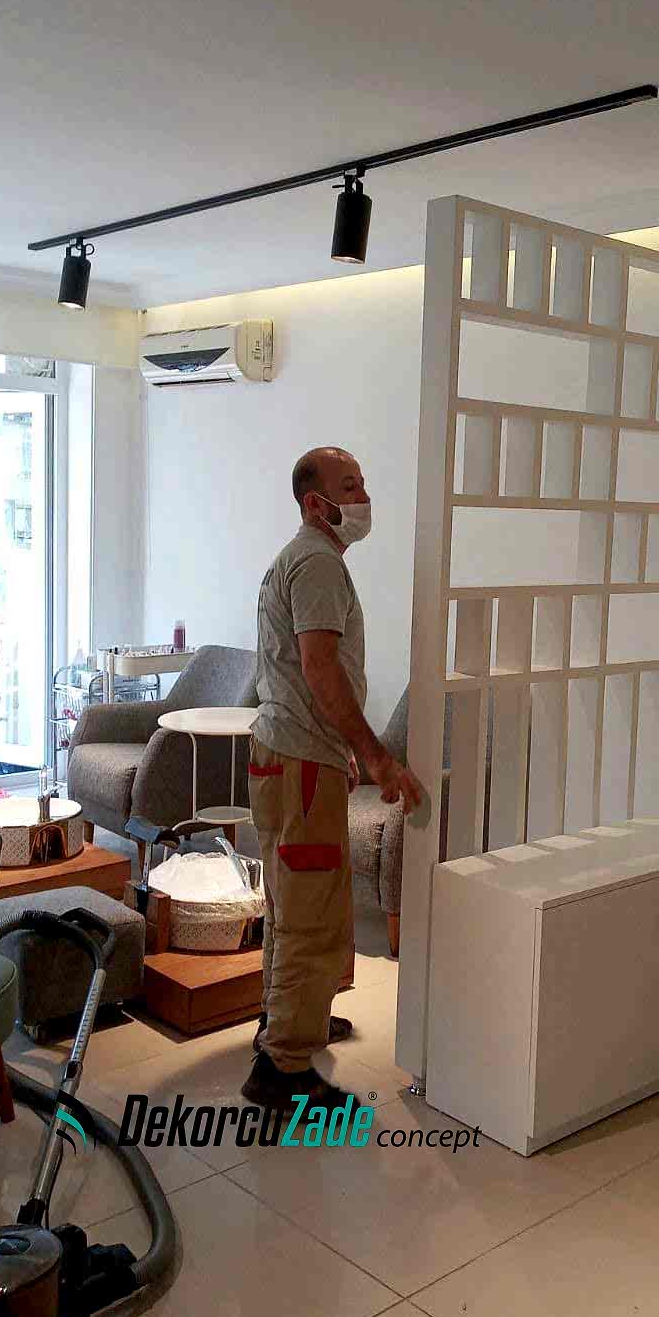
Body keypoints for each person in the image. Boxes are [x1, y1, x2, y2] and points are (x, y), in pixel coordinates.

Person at [241, 446, 422, 1115]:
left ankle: (290, 1020)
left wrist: (338, 749)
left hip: (288, 754)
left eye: (363, 483)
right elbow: (320, 669)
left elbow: (301, 673)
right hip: (298, 765)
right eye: (350, 486)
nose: (364, 497)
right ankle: (283, 1067)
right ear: (316, 503)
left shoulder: (303, 559)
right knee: (310, 916)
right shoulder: (317, 562)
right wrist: (375, 756)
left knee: (294, 904)